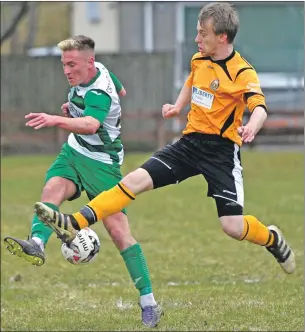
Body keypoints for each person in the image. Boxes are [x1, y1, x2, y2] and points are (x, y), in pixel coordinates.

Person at [35, 3, 295, 278]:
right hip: (189, 145)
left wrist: (252, 127)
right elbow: (192, 81)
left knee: (232, 226)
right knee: (133, 181)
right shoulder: (199, 59)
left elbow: (259, 107)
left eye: (202, 34)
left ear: (222, 37)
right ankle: (75, 221)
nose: (197, 39)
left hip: (221, 152)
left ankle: (271, 239)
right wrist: (177, 106)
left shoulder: (243, 72)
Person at [4, 35, 163, 328]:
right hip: (75, 151)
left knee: (118, 232)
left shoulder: (98, 92)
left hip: (103, 165)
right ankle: (37, 243)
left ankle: (148, 302)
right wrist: (77, 110)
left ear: (88, 62)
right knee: (51, 190)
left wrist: (57, 119)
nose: (66, 70)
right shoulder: (98, 71)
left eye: (71, 64)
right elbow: (121, 88)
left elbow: (92, 124)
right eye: (64, 64)